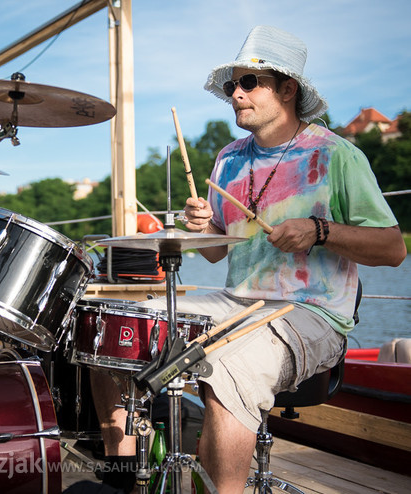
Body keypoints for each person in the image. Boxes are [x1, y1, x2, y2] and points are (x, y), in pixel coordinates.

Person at [94, 25, 407, 493]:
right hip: (236, 301)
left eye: (247, 83)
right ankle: (120, 473)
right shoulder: (229, 159)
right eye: (230, 85)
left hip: (312, 312)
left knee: (226, 364)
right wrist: (204, 228)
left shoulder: (336, 155)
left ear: (287, 89)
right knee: (113, 326)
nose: (234, 94)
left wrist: (319, 231)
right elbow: (220, 252)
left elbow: (393, 249)